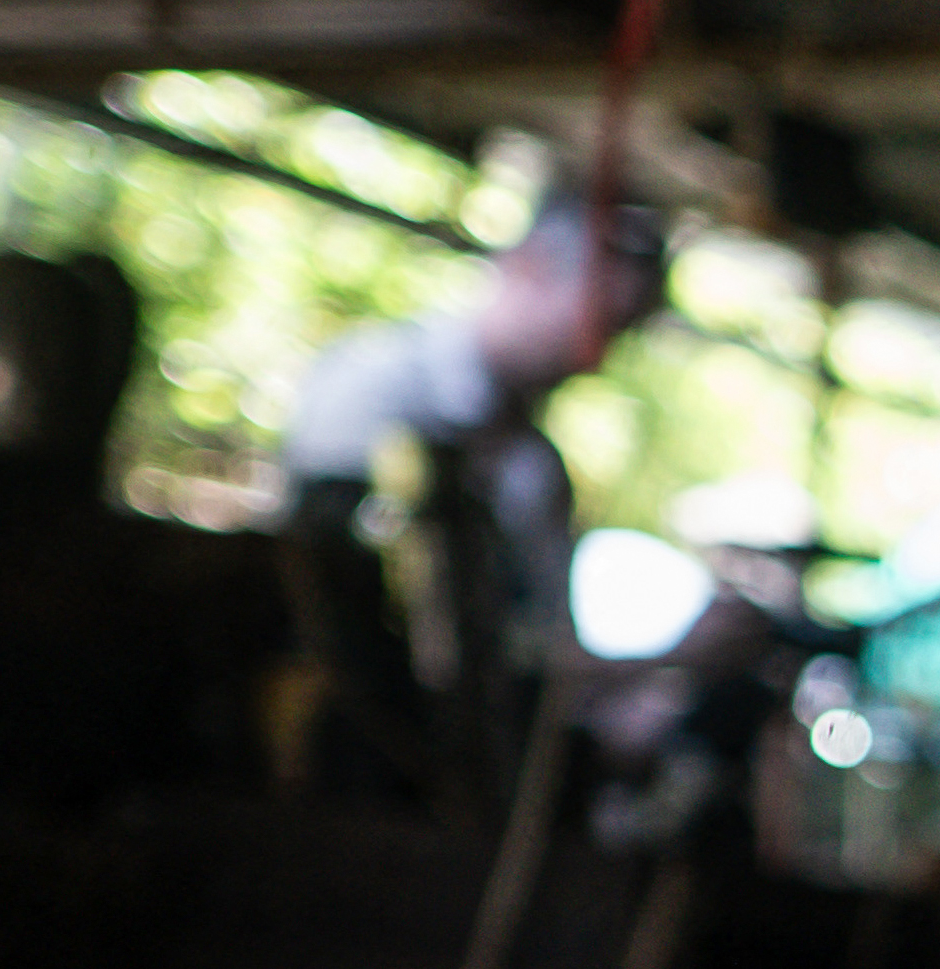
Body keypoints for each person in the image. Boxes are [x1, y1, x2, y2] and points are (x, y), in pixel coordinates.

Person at [273, 200, 666, 795]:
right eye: (598, 321)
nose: (596, 358)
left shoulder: (536, 466)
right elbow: (326, 598)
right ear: (529, 268)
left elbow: (542, 645)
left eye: (618, 334)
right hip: (356, 760)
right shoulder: (375, 384)